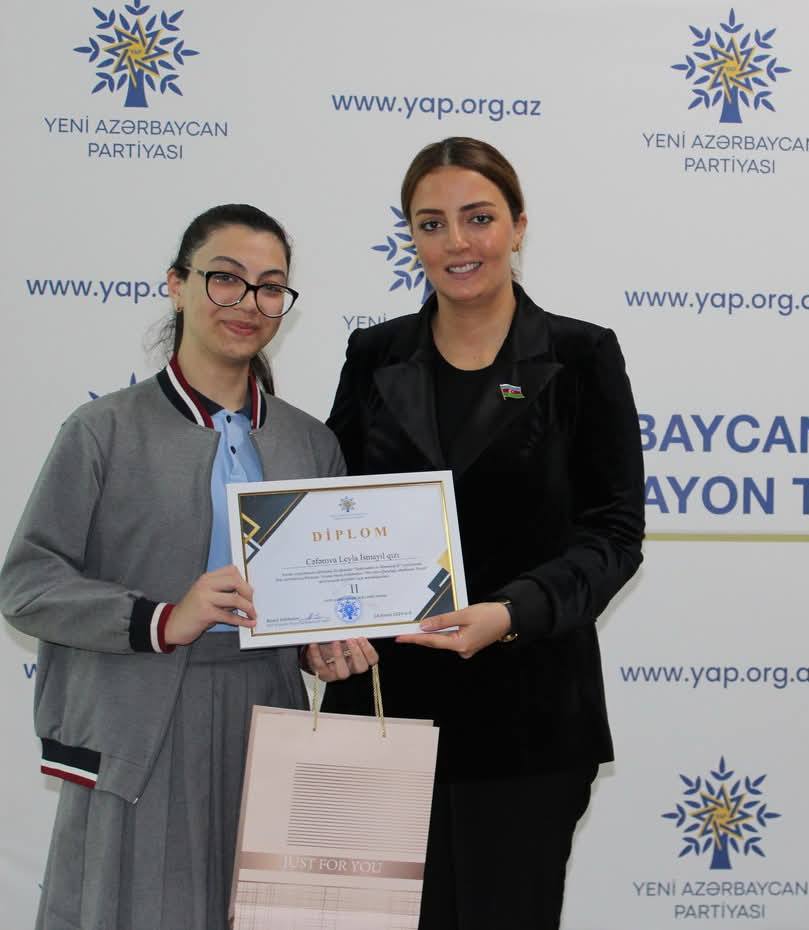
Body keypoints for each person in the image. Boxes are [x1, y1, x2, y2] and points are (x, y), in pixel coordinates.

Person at [0, 204, 378, 930]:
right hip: (137, 722)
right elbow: (26, 584)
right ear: (177, 285)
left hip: (268, 715)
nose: (249, 302)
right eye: (225, 278)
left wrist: (321, 644)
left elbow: (317, 597)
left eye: (271, 287)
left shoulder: (311, 444)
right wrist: (163, 617)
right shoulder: (103, 430)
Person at [322, 137, 645, 930]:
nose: (456, 242)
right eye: (431, 224)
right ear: (411, 237)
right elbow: (330, 513)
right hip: (382, 708)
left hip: (527, 716)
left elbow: (614, 533)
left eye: (479, 218)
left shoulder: (581, 355)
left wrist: (511, 612)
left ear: (518, 225)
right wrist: (317, 628)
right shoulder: (373, 354)